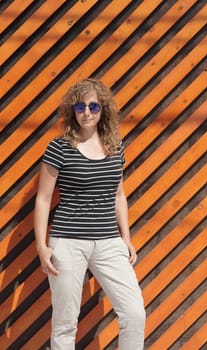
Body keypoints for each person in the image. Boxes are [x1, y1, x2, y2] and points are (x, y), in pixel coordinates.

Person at [34, 78, 146, 350]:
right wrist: (42, 246)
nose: (86, 112)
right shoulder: (59, 148)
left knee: (134, 312)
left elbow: (118, 195)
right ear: (72, 110)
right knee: (65, 321)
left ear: (102, 110)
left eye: (93, 106)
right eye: (81, 106)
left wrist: (126, 237)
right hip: (68, 242)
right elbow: (43, 199)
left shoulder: (115, 147)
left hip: (108, 241)